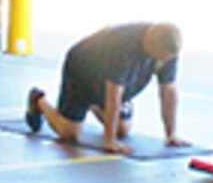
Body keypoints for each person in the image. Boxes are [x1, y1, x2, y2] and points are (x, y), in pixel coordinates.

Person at [24, 22, 189, 154]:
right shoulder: (122, 46)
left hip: (109, 78)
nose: (165, 61)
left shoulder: (167, 50)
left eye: (169, 58)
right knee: (69, 133)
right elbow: (113, 94)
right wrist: (109, 141)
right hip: (82, 70)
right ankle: (38, 100)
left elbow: (168, 91)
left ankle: (94, 105)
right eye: (162, 56)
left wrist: (171, 134)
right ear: (149, 43)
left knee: (122, 129)